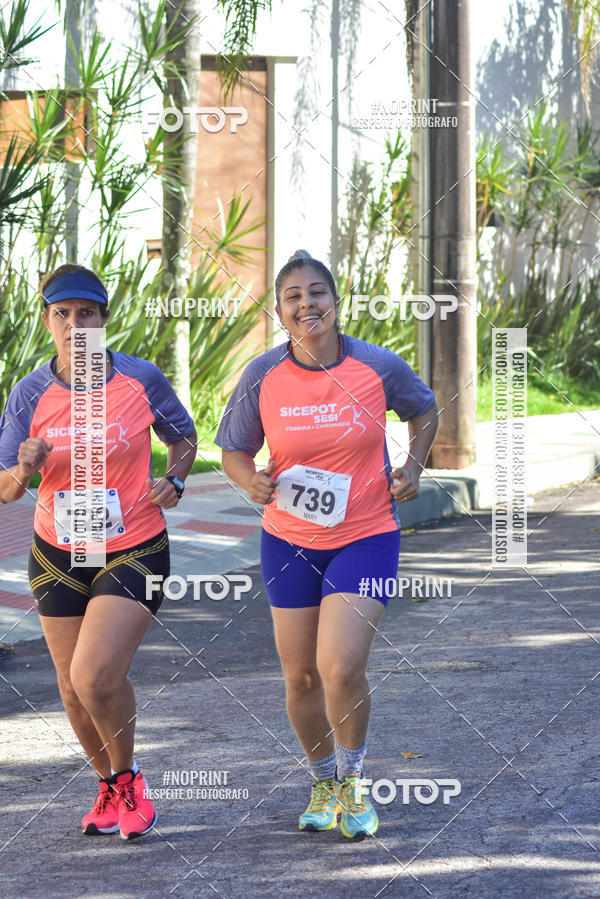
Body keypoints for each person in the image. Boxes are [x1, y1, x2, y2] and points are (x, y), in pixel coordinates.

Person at [215, 249, 439, 840]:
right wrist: (250, 480)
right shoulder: (262, 375)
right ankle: (321, 780)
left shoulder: (377, 367)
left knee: (339, 666)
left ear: (335, 302)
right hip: (288, 540)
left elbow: (425, 409)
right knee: (301, 679)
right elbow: (232, 451)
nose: (306, 304)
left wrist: (413, 466)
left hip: (367, 534)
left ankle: (353, 780)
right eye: (293, 296)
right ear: (280, 312)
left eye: (317, 292)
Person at [0, 264, 197, 840]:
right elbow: (5, 488)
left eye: (86, 313)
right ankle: (110, 787)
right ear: (47, 321)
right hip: (57, 549)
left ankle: (130, 778)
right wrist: (25, 467)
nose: (74, 324)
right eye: (62, 314)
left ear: (104, 320)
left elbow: (183, 438)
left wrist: (176, 479)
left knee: (95, 673)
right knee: (69, 684)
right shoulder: (29, 393)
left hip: (133, 544)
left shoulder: (140, 379)